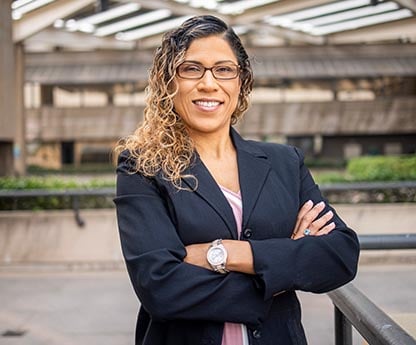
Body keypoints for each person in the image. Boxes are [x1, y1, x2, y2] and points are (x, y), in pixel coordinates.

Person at [114, 15, 360, 345]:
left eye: (223, 69)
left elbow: (340, 256)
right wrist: (284, 266)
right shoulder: (143, 166)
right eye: (191, 69)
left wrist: (224, 253)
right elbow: (161, 288)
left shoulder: (284, 162)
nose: (208, 83)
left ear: (240, 81)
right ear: (167, 82)